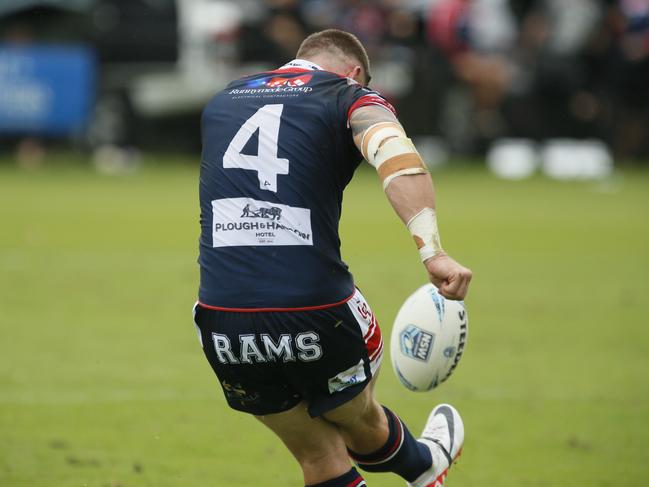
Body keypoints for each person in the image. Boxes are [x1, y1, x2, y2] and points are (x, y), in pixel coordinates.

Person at [193, 29, 473, 487]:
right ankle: (424, 464)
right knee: (357, 418)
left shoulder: (224, 98)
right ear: (355, 72)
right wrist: (432, 251)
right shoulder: (350, 96)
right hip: (316, 309)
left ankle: (424, 466)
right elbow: (397, 157)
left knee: (319, 455)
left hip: (224, 318)